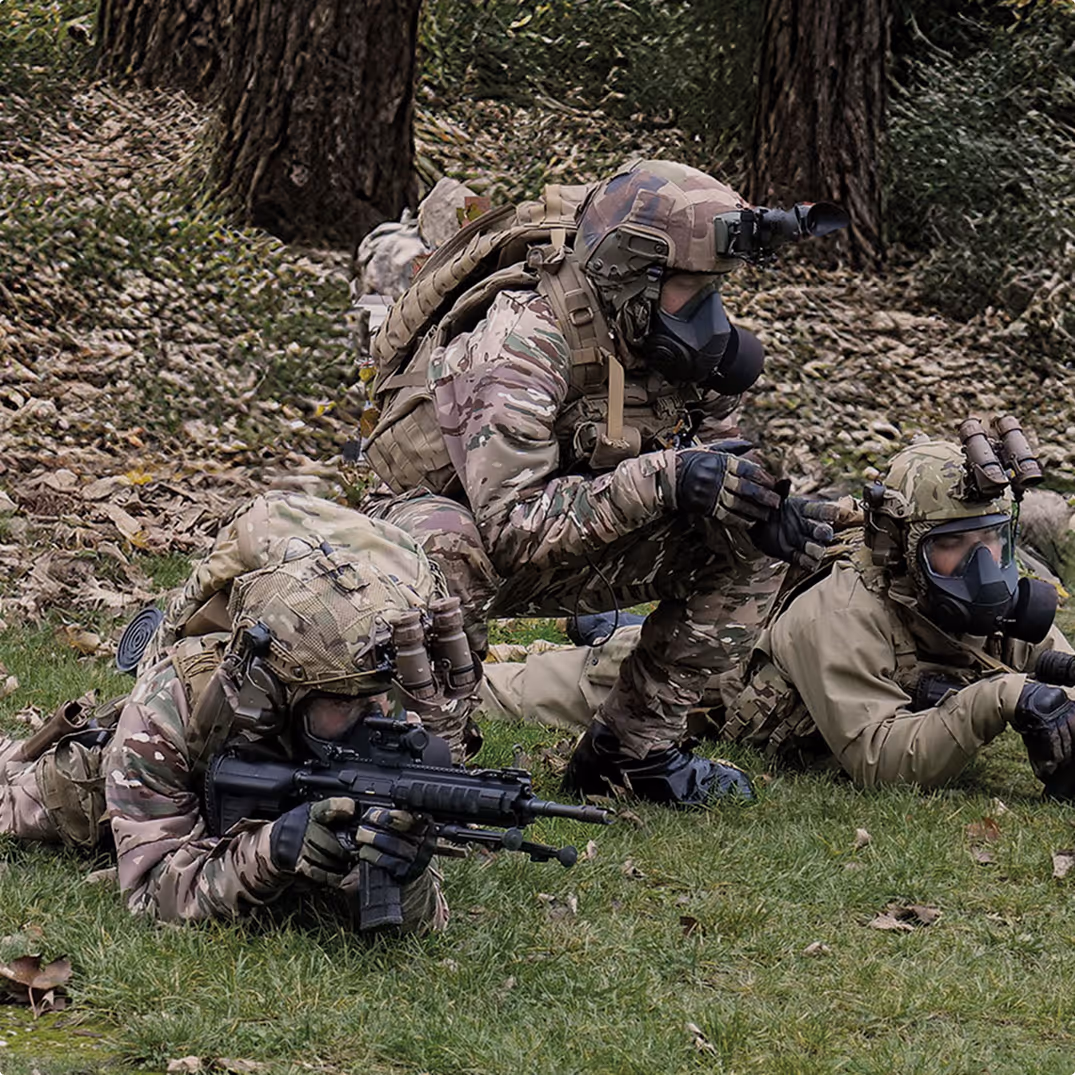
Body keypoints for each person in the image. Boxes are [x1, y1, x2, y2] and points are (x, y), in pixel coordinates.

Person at [360, 158, 844, 806]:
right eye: (693, 289)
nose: (712, 314)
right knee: (445, 538)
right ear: (631, 272)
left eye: (718, 290)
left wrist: (759, 504)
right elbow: (510, 528)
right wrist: (666, 478)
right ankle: (432, 760)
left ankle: (631, 754)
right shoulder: (526, 338)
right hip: (450, 540)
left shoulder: (672, 344)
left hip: (580, 535)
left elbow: (705, 458)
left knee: (746, 538)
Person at [476, 433, 1075, 795]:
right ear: (899, 544)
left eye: (992, 541)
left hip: (778, 646)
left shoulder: (995, 599)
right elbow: (881, 760)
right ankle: (614, 638)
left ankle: (615, 628)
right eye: (953, 547)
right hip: (706, 680)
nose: (983, 566)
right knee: (496, 691)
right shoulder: (842, 612)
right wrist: (1001, 699)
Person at [0, 498, 454, 929]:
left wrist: (405, 868)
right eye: (341, 702)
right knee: (18, 800)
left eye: (374, 697)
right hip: (110, 788)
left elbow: (420, 917)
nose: (372, 715)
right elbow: (152, 894)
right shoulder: (170, 703)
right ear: (275, 691)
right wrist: (273, 849)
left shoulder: (370, 698)